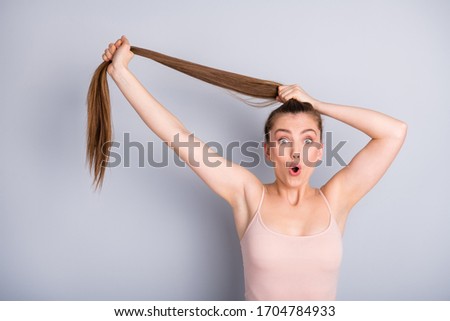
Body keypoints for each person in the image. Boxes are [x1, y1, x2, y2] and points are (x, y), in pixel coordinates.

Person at [101, 36, 407, 300]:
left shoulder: (337, 199)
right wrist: (120, 73)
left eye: (308, 140)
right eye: (284, 141)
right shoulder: (248, 194)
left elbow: (394, 132)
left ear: (319, 151)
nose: (296, 152)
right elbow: (177, 135)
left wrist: (316, 104)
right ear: (269, 151)